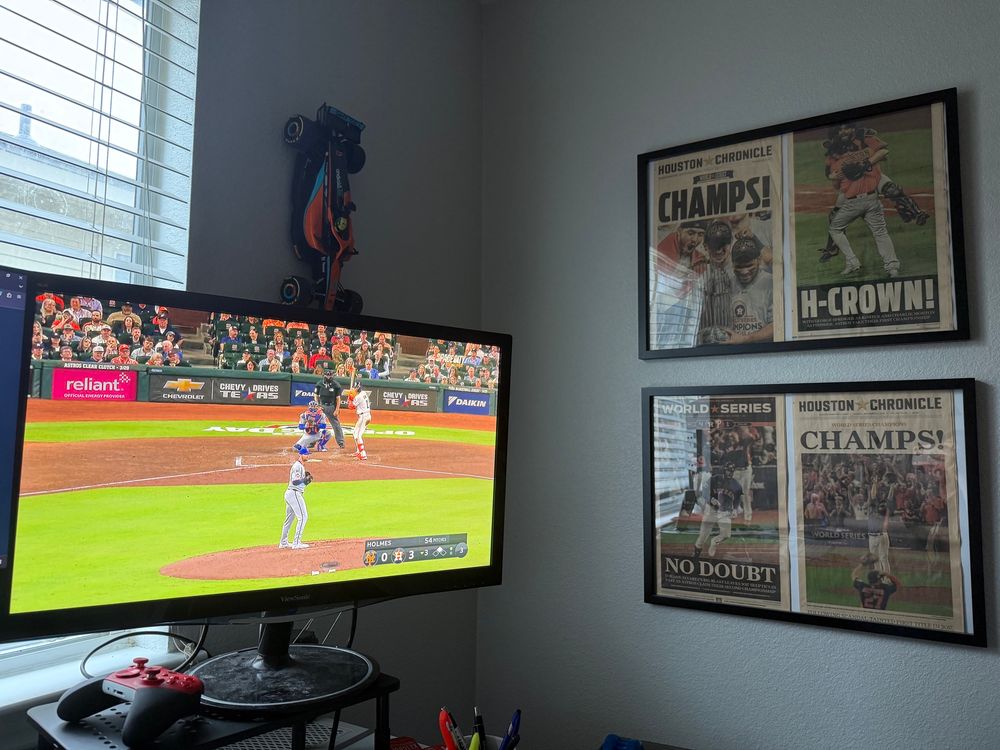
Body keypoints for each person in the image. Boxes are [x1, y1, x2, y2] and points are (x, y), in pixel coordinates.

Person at [815, 122, 928, 277]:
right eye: (840, 130)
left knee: (891, 192)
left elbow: (883, 151)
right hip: (858, 193)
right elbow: (832, 177)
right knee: (840, 220)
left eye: (846, 128)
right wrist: (838, 175)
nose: (843, 132)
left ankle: (914, 213)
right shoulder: (834, 150)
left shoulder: (863, 137)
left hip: (867, 186)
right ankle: (837, 251)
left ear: (853, 129)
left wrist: (865, 164)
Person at [693, 463, 744, 559]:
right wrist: (710, 499)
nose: (730, 473)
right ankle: (695, 557)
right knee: (702, 536)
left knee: (726, 535)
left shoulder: (736, 484)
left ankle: (714, 542)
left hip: (725, 512)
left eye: (732, 471)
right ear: (724, 470)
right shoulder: (714, 479)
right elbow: (704, 491)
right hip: (711, 510)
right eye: (729, 470)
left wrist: (735, 508)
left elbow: (737, 499)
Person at [279, 453, 310, 549]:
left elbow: (299, 483)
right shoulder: (297, 466)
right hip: (294, 494)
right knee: (303, 517)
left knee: (289, 519)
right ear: (301, 455)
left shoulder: (300, 466)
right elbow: (295, 481)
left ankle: (283, 542)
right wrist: (304, 479)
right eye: (306, 454)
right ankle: (296, 543)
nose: (308, 456)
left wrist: (305, 482)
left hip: (291, 493)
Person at [314, 369, 346, 450]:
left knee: (336, 424)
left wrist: (337, 409)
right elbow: (316, 395)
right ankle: (311, 442)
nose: (328, 376)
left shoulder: (336, 385)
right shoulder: (319, 384)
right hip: (321, 406)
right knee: (315, 423)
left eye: (330, 375)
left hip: (331, 406)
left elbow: (338, 399)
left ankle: (341, 442)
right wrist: (318, 405)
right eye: (327, 375)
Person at [349, 381, 371, 461]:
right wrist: (352, 397)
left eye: (355, 388)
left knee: (358, 436)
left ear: (358, 388)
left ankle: (363, 454)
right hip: (366, 416)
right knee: (355, 433)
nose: (354, 389)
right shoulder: (363, 393)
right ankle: (358, 451)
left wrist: (350, 399)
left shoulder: (358, 397)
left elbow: (351, 407)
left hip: (363, 417)